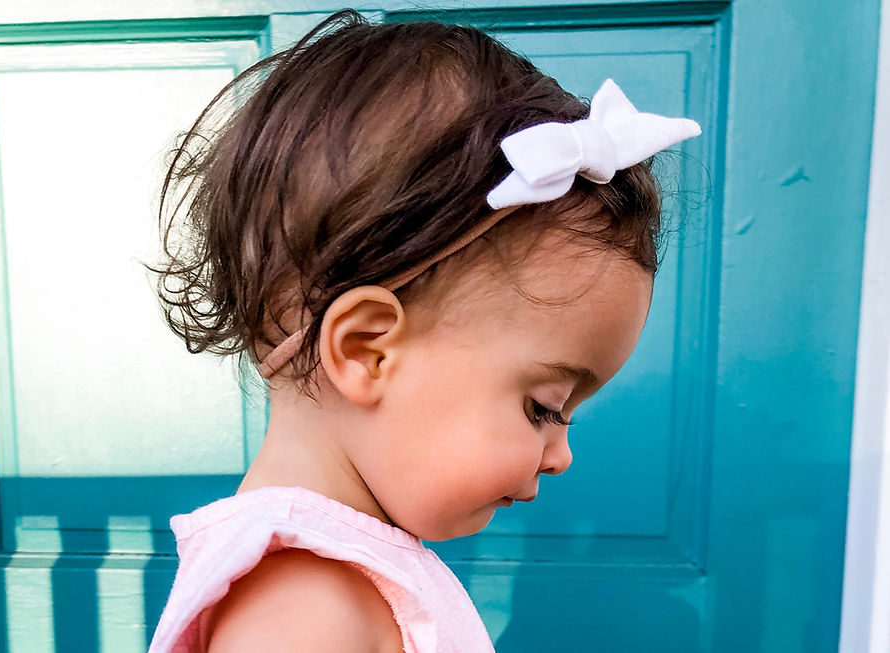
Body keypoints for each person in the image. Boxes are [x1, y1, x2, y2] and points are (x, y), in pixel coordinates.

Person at [147, 8, 700, 652]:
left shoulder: (352, 569)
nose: (561, 456)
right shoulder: (302, 605)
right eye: (544, 408)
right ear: (367, 351)